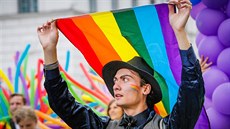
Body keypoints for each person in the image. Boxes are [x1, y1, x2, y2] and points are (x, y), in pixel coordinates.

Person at [37, 0, 204, 128]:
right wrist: (49, 49)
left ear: (145, 88)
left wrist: (180, 31)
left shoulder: (167, 126)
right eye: (115, 80)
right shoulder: (104, 126)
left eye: (124, 79)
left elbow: (192, 89)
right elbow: (62, 103)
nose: (115, 85)